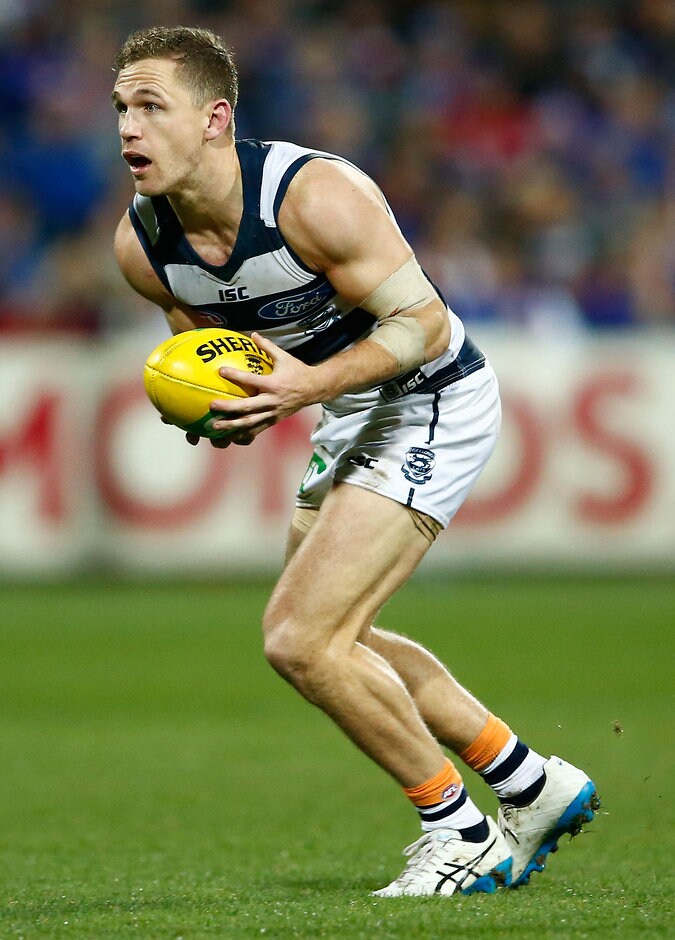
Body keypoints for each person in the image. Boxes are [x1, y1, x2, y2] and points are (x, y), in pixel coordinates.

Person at [112, 26, 599, 897]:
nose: (128, 128)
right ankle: (530, 785)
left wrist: (306, 388)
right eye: (120, 108)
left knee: (300, 638)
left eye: (151, 106)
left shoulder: (313, 195)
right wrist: (221, 410)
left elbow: (422, 326)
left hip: (431, 396)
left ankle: (458, 830)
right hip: (343, 409)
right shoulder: (143, 246)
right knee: (341, 636)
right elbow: (222, 357)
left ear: (215, 119)